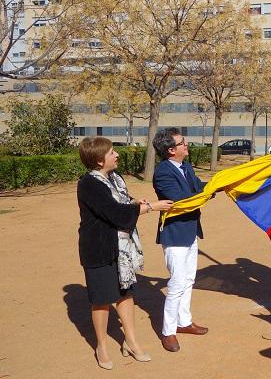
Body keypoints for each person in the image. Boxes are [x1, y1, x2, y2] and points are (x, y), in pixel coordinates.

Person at [77, 136, 173, 369]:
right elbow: (116, 213)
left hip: (123, 250)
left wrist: (133, 201)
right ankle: (101, 346)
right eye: (111, 152)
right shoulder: (89, 184)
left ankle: (130, 342)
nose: (116, 154)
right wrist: (151, 207)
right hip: (99, 248)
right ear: (99, 161)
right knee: (101, 300)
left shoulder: (115, 178)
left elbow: (122, 201)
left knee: (125, 293)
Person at [153, 127, 208, 353]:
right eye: (182, 142)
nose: (186, 145)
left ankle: (184, 322)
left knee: (188, 280)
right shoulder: (163, 172)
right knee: (176, 284)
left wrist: (220, 183)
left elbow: (197, 186)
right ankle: (168, 331)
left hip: (191, 230)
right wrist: (207, 194)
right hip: (175, 234)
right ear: (170, 150)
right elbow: (181, 200)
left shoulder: (185, 165)